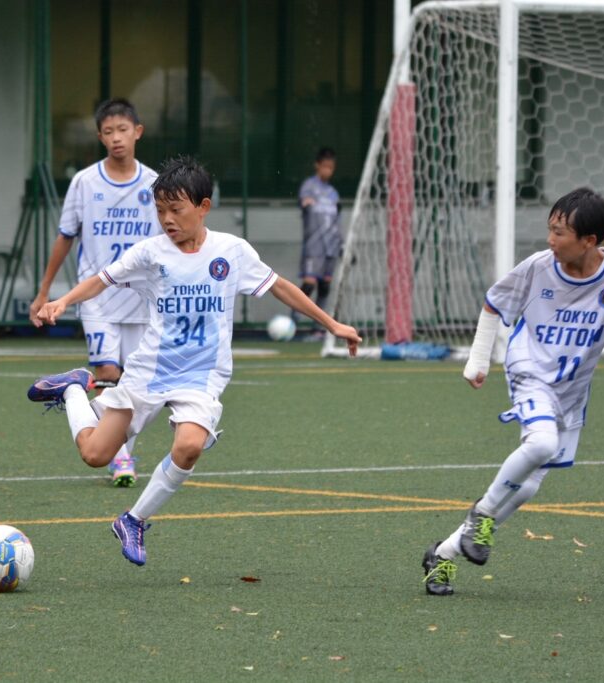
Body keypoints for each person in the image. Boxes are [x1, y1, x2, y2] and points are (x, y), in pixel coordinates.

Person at [28, 156, 362, 566]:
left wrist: (332, 324)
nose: (167, 219)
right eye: (160, 211)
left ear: (203, 207)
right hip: (150, 371)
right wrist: (62, 301)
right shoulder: (150, 253)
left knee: (189, 446)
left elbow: (280, 287)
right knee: (95, 455)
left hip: (202, 376)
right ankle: (73, 390)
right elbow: (102, 279)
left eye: (176, 209)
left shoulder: (231, 252)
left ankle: (133, 520)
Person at [422, 188, 604, 596]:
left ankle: (443, 553)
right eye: (550, 229)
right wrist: (478, 360)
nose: (550, 239)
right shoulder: (537, 267)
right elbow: (494, 304)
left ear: (589, 240)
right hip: (529, 369)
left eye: (560, 232)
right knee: (542, 443)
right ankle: (481, 514)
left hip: (572, 389)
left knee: (529, 484)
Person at [29, 98, 159, 487]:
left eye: (123, 130)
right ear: (100, 137)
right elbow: (65, 237)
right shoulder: (85, 182)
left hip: (141, 300)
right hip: (97, 296)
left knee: (136, 385)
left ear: (138, 132)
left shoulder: (155, 184)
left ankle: (107, 434)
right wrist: (44, 292)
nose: (116, 138)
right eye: (108, 132)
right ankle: (121, 458)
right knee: (108, 372)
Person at [295, 147, 342, 336]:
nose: (328, 171)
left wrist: (341, 243)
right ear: (317, 165)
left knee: (325, 287)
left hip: (331, 246)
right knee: (308, 285)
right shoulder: (309, 187)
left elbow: (337, 221)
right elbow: (303, 204)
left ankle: (318, 329)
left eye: (331, 167)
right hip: (314, 245)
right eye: (325, 166)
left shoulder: (333, 193)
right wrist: (304, 203)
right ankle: (292, 323)